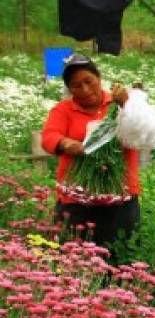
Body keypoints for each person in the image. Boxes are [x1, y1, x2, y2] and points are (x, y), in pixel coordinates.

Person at [41, 53, 140, 250]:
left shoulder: (119, 103)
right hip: (77, 200)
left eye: (89, 81)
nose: (85, 90)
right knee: (74, 260)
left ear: (99, 78)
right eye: (77, 86)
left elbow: (142, 130)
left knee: (121, 259)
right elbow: (49, 136)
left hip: (119, 195)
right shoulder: (63, 110)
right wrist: (66, 143)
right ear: (69, 89)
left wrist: (127, 105)